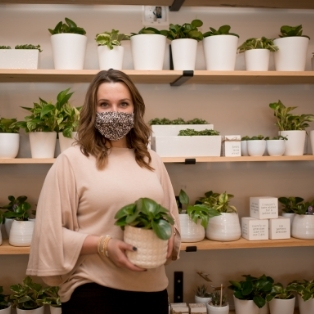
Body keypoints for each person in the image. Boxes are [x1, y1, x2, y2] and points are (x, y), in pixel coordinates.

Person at [26, 69, 181, 314]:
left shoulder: (151, 160)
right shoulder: (71, 161)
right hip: (94, 293)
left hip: (153, 291)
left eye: (123, 104)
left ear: (135, 109)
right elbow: (49, 234)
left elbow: (171, 219)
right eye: (104, 104)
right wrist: (103, 245)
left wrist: (170, 236)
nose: (115, 112)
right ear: (92, 110)